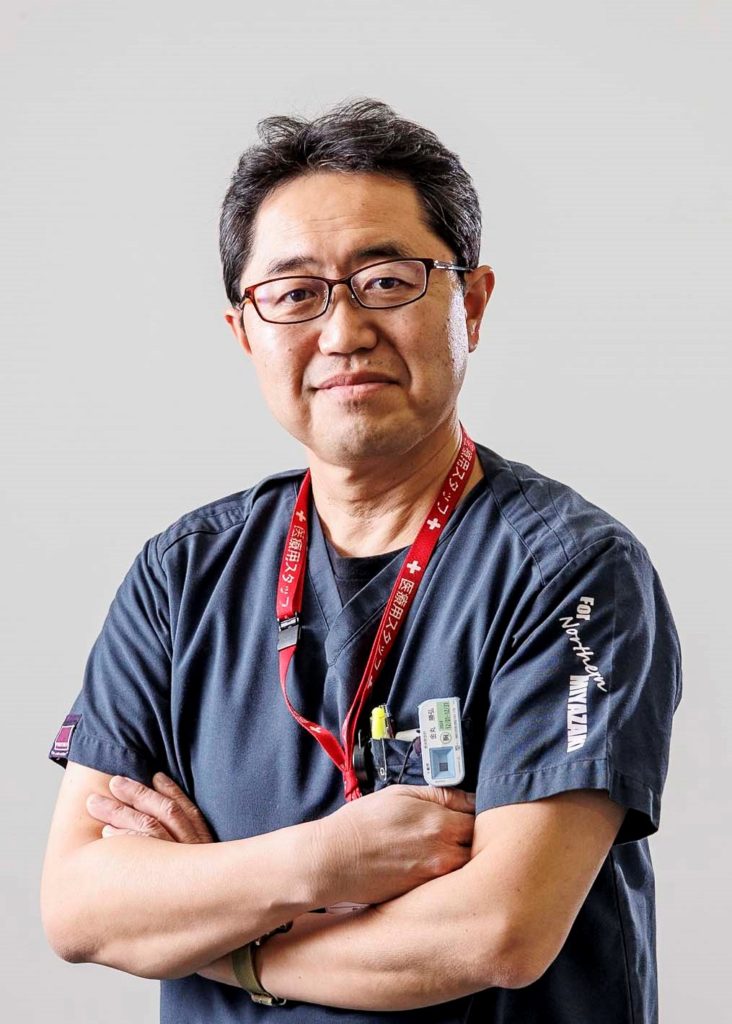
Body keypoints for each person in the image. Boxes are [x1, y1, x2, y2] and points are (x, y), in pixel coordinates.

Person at [40, 98, 682, 1023]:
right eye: (295, 294)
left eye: (386, 281)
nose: (342, 332)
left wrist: (218, 932)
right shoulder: (183, 576)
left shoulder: (572, 574)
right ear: (245, 333)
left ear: (471, 303)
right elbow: (79, 907)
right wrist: (323, 862)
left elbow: (496, 932)